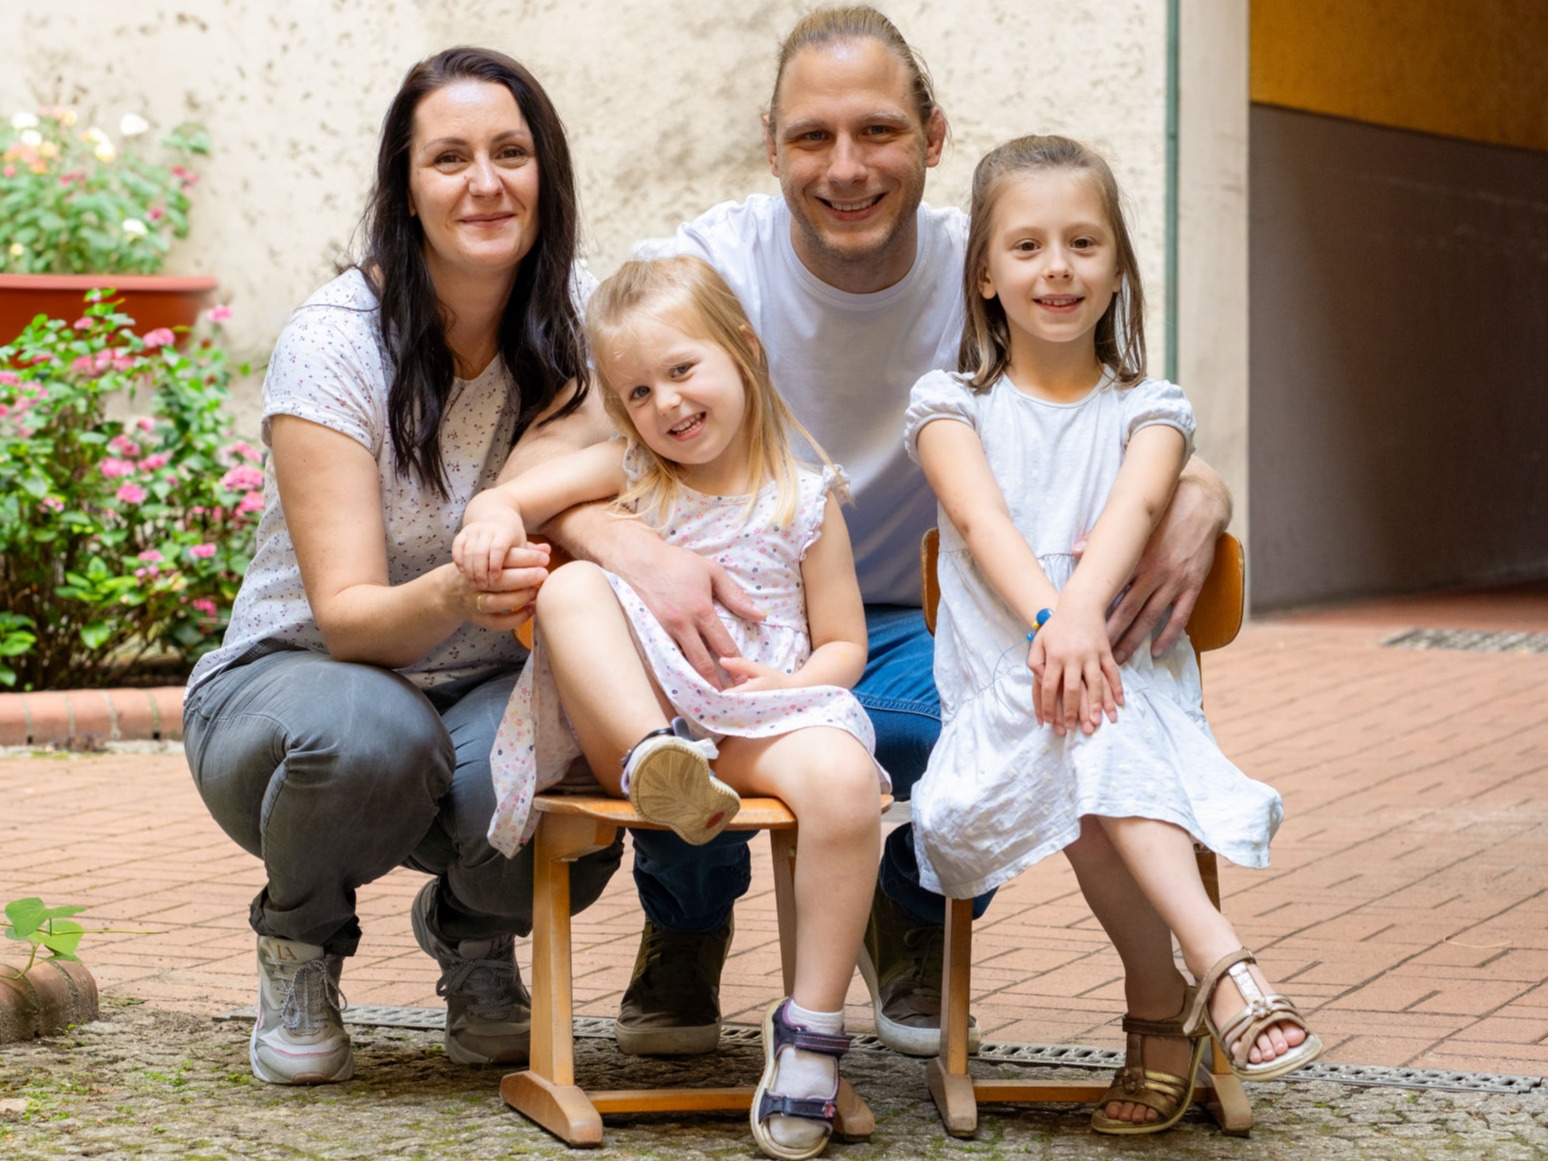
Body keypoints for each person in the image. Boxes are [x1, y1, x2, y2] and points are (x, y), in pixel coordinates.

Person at [510, 5, 1233, 1060]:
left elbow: (1106, 416)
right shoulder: (709, 268)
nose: (845, 167)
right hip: (729, 609)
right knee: (681, 684)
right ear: (773, 148)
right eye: (812, 137)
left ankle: (912, 912)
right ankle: (686, 925)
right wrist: (636, 549)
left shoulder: (989, 267)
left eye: (879, 132)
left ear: (933, 140)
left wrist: (1203, 490)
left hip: (919, 623)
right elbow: (547, 463)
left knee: (1009, 713)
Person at [180, 46, 623, 1085]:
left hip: (485, 682)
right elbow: (348, 620)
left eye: (511, 152)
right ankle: (299, 943)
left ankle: (474, 936)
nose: (485, 182)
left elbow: (659, 445)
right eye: (450, 158)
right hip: (296, 692)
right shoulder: (337, 341)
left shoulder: (587, 315)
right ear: (405, 187)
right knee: (376, 734)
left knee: (573, 764)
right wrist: (462, 589)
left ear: (546, 173)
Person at [906, 133, 1322, 1135]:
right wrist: (1058, 626)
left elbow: (1138, 512)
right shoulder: (947, 404)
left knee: (1097, 731)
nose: (1058, 268)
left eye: (1085, 243)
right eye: (1029, 246)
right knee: (1078, 721)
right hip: (1001, 705)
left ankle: (1178, 994)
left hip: (1131, 697)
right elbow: (981, 522)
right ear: (986, 275)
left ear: (1119, 267)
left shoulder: (1153, 408)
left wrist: (1083, 631)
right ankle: (1212, 971)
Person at [459, 255, 886, 1161]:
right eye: (638, 391)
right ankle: (654, 765)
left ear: (744, 351)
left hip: (754, 716)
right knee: (573, 589)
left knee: (848, 784)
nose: (666, 405)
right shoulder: (627, 472)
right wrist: (494, 518)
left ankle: (811, 1034)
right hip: (647, 713)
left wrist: (806, 680)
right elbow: (512, 494)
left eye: (683, 371)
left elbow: (845, 640)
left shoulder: (804, 500)